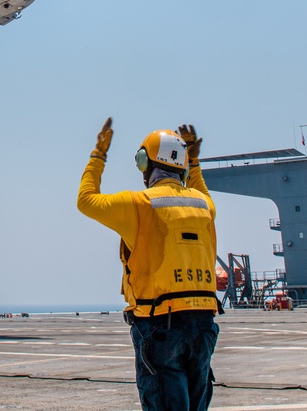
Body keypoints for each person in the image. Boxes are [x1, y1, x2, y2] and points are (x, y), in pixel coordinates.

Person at [78, 117, 219, 410]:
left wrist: (98, 155)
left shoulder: (139, 204)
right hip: (203, 325)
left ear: (145, 164)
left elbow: (86, 200)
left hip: (159, 326)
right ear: (181, 166)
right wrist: (194, 161)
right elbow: (200, 188)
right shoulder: (204, 205)